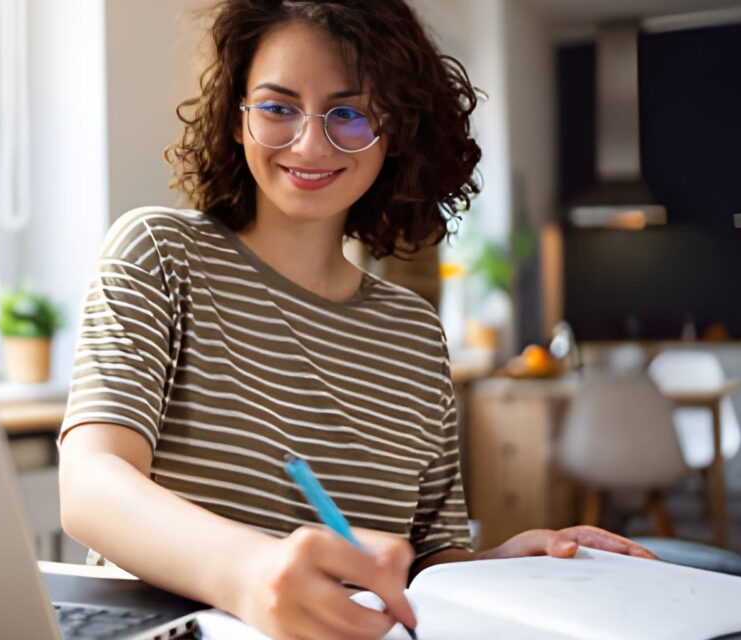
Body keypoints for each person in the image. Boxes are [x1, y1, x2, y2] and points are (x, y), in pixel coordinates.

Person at [57, 1, 656, 638]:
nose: (310, 143)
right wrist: (250, 573)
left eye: (349, 114)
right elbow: (93, 484)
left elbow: (429, 562)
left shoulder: (416, 334)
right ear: (237, 120)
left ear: (393, 131)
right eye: (277, 107)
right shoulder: (159, 252)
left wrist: (500, 565)